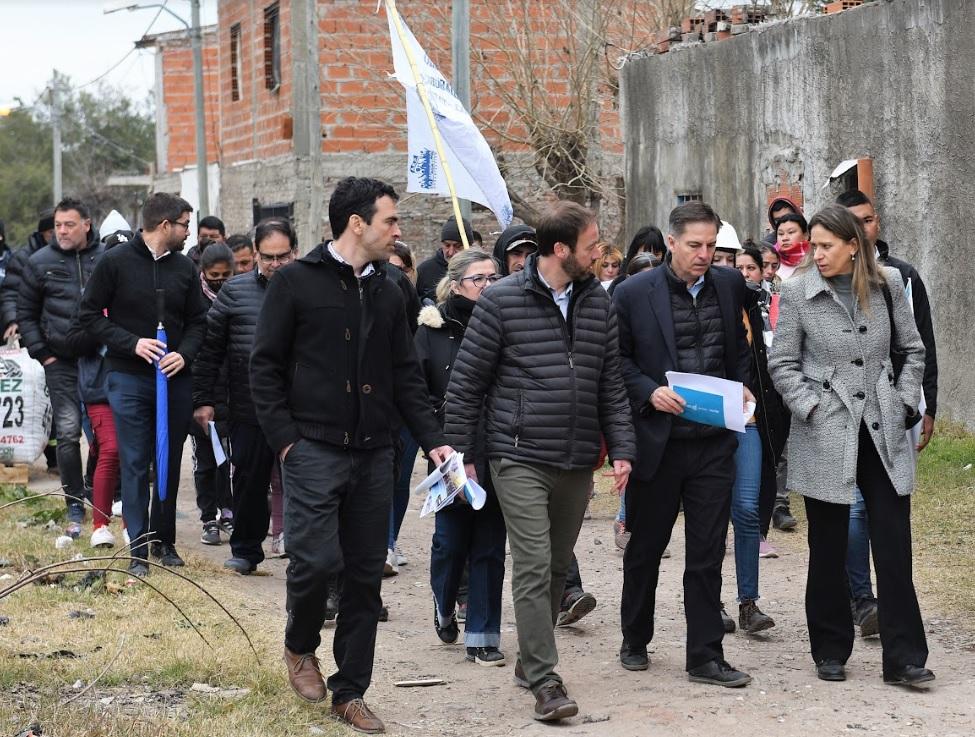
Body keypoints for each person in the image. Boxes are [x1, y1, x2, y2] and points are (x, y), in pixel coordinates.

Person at [249, 177, 451, 734]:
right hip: (312, 447)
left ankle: (351, 691)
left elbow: (405, 374)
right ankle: (299, 645)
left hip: (375, 452)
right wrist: (286, 441)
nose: (398, 231)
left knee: (365, 577)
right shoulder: (295, 281)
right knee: (315, 561)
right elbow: (264, 367)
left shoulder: (393, 288)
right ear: (357, 224)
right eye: (390, 220)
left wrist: (433, 439)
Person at [444, 200, 635, 722]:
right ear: (560, 249)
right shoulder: (501, 300)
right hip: (517, 453)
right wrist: (465, 458)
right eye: (591, 246)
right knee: (531, 561)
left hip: (576, 456)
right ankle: (546, 681)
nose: (599, 254)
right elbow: (466, 386)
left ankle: (530, 660)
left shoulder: (598, 302)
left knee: (555, 564)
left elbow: (611, 383)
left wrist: (622, 448)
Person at [768, 204, 932, 688]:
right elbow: (782, 363)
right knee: (828, 544)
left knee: (893, 543)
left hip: (882, 426)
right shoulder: (797, 290)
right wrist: (811, 408)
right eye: (813, 246)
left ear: (853, 246)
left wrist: (905, 401)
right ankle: (830, 649)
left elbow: (913, 349)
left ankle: (904, 658)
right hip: (826, 428)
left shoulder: (888, 284)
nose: (816, 254)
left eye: (826, 246)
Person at [613, 201, 755, 687]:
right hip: (660, 442)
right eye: (694, 245)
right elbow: (617, 360)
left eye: (711, 245)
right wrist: (649, 391)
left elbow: (739, 348)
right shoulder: (633, 293)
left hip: (713, 443)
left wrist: (743, 388)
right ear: (670, 242)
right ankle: (635, 638)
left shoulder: (729, 285)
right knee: (646, 548)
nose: (704, 254)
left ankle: (705, 656)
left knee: (708, 553)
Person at [78, 193, 208, 575]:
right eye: (185, 225)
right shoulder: (114, 261)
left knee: (168, 458)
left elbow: (199, 322)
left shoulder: (185, 268)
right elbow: (89, 315)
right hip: (128, 377)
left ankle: (163, 540)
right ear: (166, 225)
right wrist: (131, 343)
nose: (189, 233)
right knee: (135, 461)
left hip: (174, 378)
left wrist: (184, 354)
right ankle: (138, 548)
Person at [836, 189, 940, 637]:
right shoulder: (822, 281)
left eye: (869, 219)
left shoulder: (901, 277)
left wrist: (922, 403)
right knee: (854, 510)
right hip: (846, 414)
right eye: (853, 222)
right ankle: (862, 600)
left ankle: (893, 604)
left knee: (891, 512)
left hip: (895, 410)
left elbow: (920, 344)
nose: (864, 229)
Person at [414, 248, 507, 666]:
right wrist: (437, 442)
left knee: (489, 544)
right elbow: (417, 394)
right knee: (451, 543)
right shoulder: (431, 331)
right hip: (449, 453)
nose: (488, 286)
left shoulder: (507, 324)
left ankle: (483, 636)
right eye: (478, 279)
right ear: (455, 286)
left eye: (493, 278)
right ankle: (445, 600)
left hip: (498, 447)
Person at [194, 219, 298, 574]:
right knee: (249, 480)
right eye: (268, 257)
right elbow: (210, 352)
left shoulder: (309, 290)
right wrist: (204, 399)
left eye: (282, 256)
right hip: (248, 405)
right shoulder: (234, 293)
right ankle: (246, 549)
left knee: (303, 483)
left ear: (294, 252)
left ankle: (301, 551)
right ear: (255, 254)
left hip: (300, 408)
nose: (275, 264)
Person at [17, 197, 103, 539]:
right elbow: (26, 314)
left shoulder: (105, 259)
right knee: (67, 433)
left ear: (87, 224)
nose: (62, 231)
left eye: (69, 225)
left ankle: (100, 491)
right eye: (57, 225)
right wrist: (44, 354)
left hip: (100, 358)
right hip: (60, 361)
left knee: (104, 435)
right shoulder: (40, 262)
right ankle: (74, 503)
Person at [191, 243, 236, 546]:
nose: (219, 281)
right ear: (204, 273)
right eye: (213, 276)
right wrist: (200, 399)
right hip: (202, 393)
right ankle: (209, 517)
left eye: (225, 275)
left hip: (233, 392)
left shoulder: (237, 297)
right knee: (205, 460)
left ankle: (229, 511)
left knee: (230, 461)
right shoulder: (194, 302)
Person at [2, 209, 55, 342]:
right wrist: (13, 320)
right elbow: (10, 293)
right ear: (42, 233)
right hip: (33, 328)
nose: (57, 235)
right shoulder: (23, 258)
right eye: (51, 232)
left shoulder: (74, 253)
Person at [415, 215, 472, 304]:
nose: (451, 252)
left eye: (457, 246)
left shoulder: (478, 270)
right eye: (447, 245)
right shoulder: (423, 271)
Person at [608, 225, 666, 295]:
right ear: (634, 253)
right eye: (645, 253)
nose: (651, 257)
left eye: (656, 254)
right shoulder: (619, 285)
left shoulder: (669, 282)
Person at [773, 212, 810, 281]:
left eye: (791, 232)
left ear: (805, 236)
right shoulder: (771, 259)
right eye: (781, 234)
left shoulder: (815, 259)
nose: (785, 238)